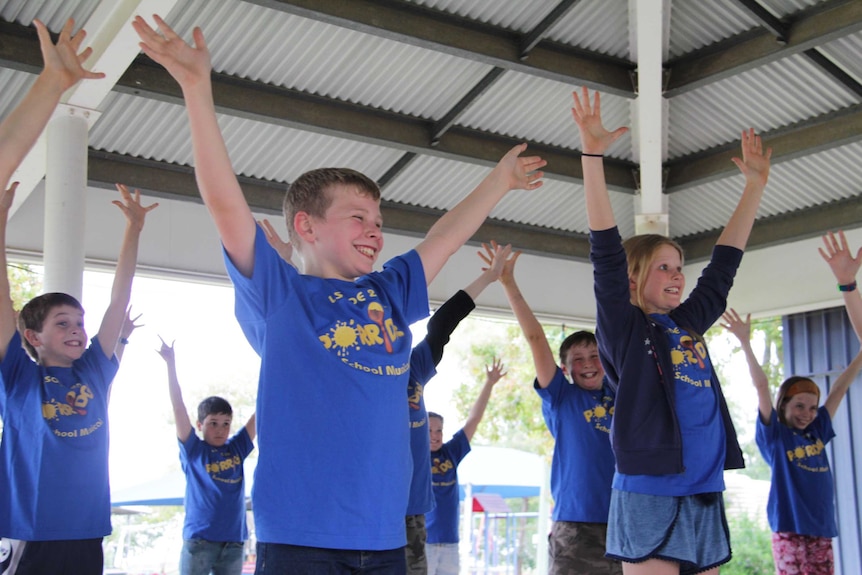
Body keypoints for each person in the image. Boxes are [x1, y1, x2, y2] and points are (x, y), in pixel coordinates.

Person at [133, 14, 544, 574]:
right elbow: (226, 203)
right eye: (357, 217)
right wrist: (197, 89)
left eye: (378, 219)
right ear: (306, 226)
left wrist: (497, 181)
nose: (375, 231)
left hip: (384, 536)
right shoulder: (281, 293)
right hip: (302, 536)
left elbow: (444, 238)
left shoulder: (390, 291)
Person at [573, 85, 770, 575]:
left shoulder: (684, 325)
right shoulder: (623, 325)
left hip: (705, 486)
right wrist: (593, 157)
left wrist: (754, 188)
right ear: (634, 278)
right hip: (649, 489)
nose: (677, 275)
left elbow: (722, 268)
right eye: (663, 267)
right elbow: (604, 253)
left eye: (679, 266)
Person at [0, 18, 155, 575]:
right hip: (29, 532)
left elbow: (117, 305)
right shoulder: (18, 375)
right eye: (63, 323)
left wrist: (133, 231)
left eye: (78, 322)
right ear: (32, 336)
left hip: (88, 531)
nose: (78, 329)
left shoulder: (95, 371)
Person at [490, 241, 620, 575]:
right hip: (575, 526)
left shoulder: (622, 393)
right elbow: (535, 340)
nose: (588, 364)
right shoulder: (562, 397)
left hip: (625, 520)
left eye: (594, 357)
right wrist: (508, 283)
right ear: (565, 369)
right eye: (578, 359)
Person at [404, 243, 509, 575]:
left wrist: (489, 278)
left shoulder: (414, 366)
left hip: (413, 514)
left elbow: (442, 325)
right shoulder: (360, 368)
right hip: (375, 505)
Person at [157, 338, 256, 575]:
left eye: (225, 424)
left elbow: (260, 413)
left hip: (234, 542)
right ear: (200, 424)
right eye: (213, 423)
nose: (220, 429)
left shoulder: (237, 448)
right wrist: (170, 364)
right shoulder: (194, 450)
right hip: (200, 541)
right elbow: (178, 406)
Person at [426, 358, 506, 575]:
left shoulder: (451, 453)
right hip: (424, 543)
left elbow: (474, 418)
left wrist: (489, 383)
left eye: (439, 430)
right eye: (429, 430)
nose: (435, 436)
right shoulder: (414, 457)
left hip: (450, 543)